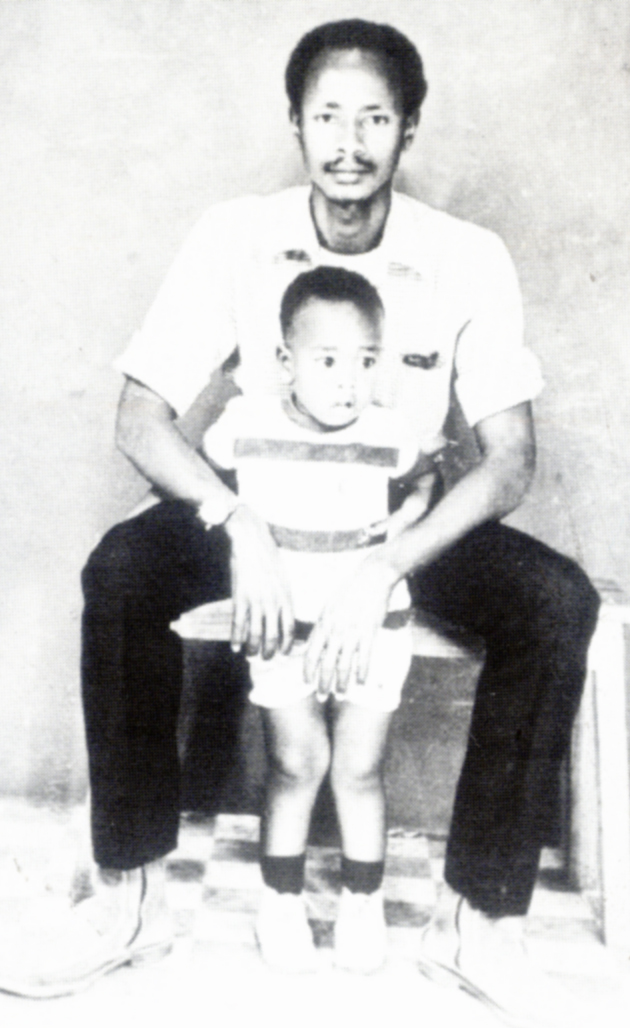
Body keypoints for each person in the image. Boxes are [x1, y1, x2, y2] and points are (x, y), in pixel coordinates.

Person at [0, 18, 599, 1021]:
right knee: (121, 571)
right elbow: (139, 418)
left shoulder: (465, 254)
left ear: (409, 129)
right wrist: (239, 525)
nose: (349, 143)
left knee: (554, 601)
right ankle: (130, 898)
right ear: (295, 124)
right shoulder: (233, 234)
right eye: (327, 117)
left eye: (375, 119)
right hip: (261, 509)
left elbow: (509, 460)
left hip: (396, 516)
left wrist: (388, 563)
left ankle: (478, 922)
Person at [203, 265, 436, 974]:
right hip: (283, 628)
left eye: (366, 361)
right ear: (285, 361)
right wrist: (231, 527)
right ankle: (281, 902)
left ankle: (363, 902)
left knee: (359, 768)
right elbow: (195, 479)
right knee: (296, 761)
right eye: (328, 361)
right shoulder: (244, 426)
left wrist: (406, 520)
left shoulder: (388, 431)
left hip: (371, 629)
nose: (349, 382)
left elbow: (428, 478)